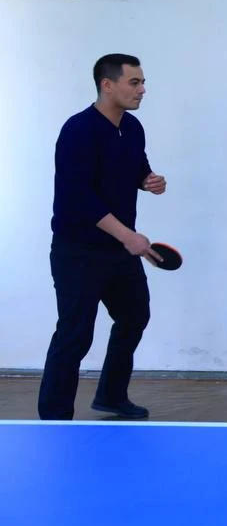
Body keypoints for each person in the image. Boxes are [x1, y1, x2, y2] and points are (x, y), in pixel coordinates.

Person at [38, 54, 168, 420]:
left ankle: (111, 396)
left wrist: (149, 180)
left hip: (119, 251)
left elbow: (136, 167)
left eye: (143, 82)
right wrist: (128, 236)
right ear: (107, 85)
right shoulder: (78, 131)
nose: (142, 90)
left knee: (134, 316)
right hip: (78, 252)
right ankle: (54, 418)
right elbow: (78, 197)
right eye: (134, 82)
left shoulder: (133, 127)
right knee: (75, 334)